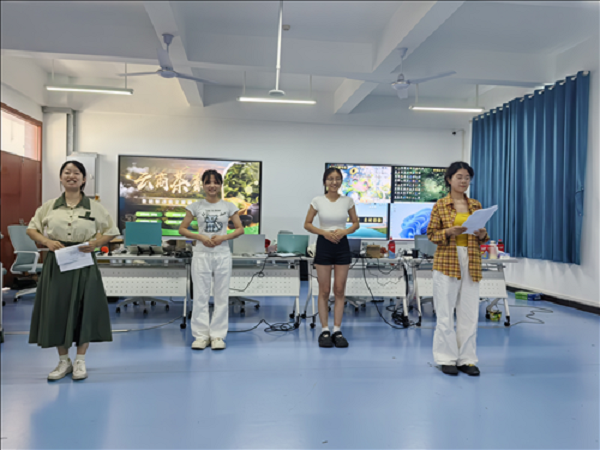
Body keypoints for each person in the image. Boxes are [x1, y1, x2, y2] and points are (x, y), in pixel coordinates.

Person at [26, 161, 119, 381]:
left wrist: (96, 244)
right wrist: (47, 242)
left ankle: (80, 361)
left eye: (76, 173)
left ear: (84, 179)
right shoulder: (49, 206)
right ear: (60, 178)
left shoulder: (95, 207)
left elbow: (111, 231)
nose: (71, 176)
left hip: (84, 261)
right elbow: (32, 229)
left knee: (84, 308)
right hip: (57, 263)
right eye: (67, 172)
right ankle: (63, 361)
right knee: (57, 309)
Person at [427, 161, 489, 376]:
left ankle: (467, 359)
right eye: (459, 177)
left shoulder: (475, 205)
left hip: (471, 261)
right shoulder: (440, 205)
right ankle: (446, 358)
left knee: (469, 312)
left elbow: (482, 235)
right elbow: (432, 234)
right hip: (447, 261)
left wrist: (483, 235)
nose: (464, 181)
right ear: (449, 179)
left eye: (467, 178)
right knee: (445, 312)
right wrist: (448, 232)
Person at [179, 169, 244, 351]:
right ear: (203, 185)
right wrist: (200, 237)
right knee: (200, 295)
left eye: (216, 182)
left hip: (222, 254)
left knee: (221, 295)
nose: (212, 186)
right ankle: (200, 336)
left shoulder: (229, 206)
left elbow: (240, 229)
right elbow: (182, 229)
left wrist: (223, 237)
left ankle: (217, 336)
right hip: (201, 254)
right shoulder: (195, 206)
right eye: (208, 182)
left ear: (221, 185)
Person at [304, 167, 360, 348]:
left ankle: (337, 329)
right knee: (324, 290)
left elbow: (356, 223)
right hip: (324, 244)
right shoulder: (317, 201)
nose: (334, 182)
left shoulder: (348, 201)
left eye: (337, 179)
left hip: (342, 245)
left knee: (339, 290)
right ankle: (325, 330)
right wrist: (325, 233)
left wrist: (344, 231)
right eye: (330, 179)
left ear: (341, 181)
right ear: (325, 181)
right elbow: (307, 224)